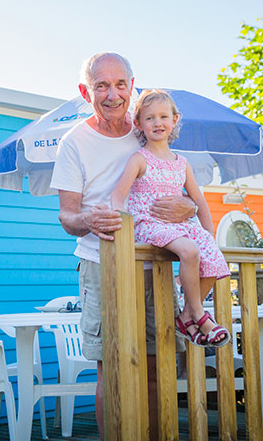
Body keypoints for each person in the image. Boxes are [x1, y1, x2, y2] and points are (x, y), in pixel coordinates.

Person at [50, 52, 195, 440]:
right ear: (86, 91)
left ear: (133, 87)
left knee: (157, 362)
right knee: (111, 366)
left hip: (155, 265)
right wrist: (88, 220)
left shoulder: (148, 128)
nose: (112, 94)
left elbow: (179, 185)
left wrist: (190, 205)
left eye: (119, 84)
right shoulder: (73, 142)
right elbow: (67, 217)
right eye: (101, 85)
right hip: (101, 264)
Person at [111, 89, 231, 347]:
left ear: (175, 120)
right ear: (139, 123)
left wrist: (209, 235)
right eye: (150, 118)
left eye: (163, 116)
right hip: (149, 224)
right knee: (190, 251)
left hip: (180, 226)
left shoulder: (182, 163)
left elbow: (199, 201)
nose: (157, 123)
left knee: (212, 255)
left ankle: (187, 312)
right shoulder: (139, 159)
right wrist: (121, 224)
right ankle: (199, 314)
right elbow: (118, 196)